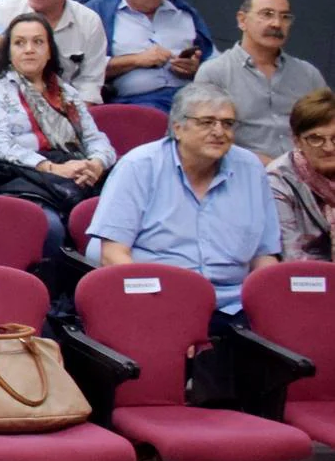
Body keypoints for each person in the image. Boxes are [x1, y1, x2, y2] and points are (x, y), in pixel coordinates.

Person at [90, 85, 278, 312]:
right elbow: (112, 255)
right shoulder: (139, 166)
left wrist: (266, 309)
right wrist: (167, 311)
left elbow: (264, 257)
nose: (219, 131)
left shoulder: (250, 168)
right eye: (207, 122)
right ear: (177, 128)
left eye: (227, 123)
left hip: (233, 305)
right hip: (157, 300)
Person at [0, 13, 117, 232]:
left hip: (73, 171)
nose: (29, 49)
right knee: (50, 226)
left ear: (49, 51)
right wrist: (52, 168)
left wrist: (95, 164)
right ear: (8, 52)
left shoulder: (67, 94)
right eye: (19, 43)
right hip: (19, 177)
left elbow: (94, 138)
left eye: (38, 42)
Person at [189, 0, 325, 160]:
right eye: (267, 14)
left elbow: (328, 126)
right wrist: (254, 162)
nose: (277, 23)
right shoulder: (215, 73)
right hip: (241, 171)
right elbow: (203, 135)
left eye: (285, 17)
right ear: (242, 20)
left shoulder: (308, 74)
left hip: (304, 174)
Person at [94, 0, 213, 112]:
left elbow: (213, 60)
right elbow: (84, 70)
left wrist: (196, 68)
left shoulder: (183, 12)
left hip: (189, 101)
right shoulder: (99, 13)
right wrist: (137, 60)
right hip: (135, 104)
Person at [265, 88, 335, 263]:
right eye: (315, 138)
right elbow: (291, 254)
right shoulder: (278, 179)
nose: (328, 148)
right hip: (305, 277)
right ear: (296, 141)